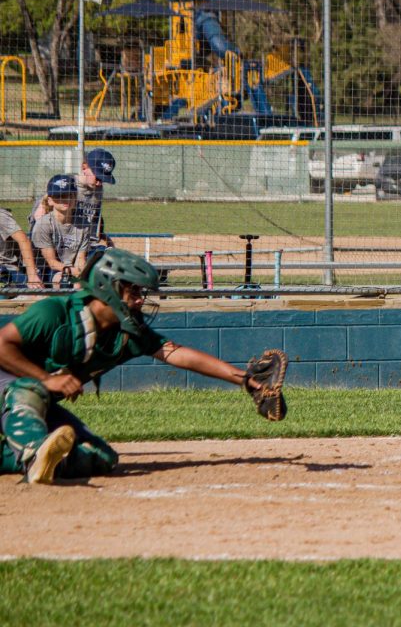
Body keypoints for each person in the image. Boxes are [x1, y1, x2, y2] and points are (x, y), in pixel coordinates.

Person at [0, 248, 274, 484]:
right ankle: (35, 453)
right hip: (15, 392)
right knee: (30, 389)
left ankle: (33, 459)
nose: (141, 299)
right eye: (133, 290)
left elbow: (177, 354)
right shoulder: (54, 312)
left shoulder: (125, 334)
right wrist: (46, 379)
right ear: (108, 287)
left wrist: (246, 380)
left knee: (100, 457)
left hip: (28, 408)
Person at [29, 148, 116, 257]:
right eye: (97, 177)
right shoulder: (67, 184)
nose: (99, 183)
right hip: (55, 245)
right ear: (84, 167)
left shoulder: (97, 190)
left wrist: (105, 240)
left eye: (103, 179)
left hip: (79, 245)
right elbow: (39, 217)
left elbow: (93, 223)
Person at [30, 175, 90, 288]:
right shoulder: (44, 224)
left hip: (73, 269)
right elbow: (52, 263)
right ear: (50, 200)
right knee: (66, 283)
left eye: (69, 195)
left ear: (75, 198)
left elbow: (80, 259)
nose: (66, 199)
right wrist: (73, 271)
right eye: (59, 195)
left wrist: (80, 272)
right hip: (49, 271)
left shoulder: (84, 224)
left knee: (83, 283)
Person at [0, 207, 43, 291]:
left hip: (8, 268)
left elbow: (23, 240)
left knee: (35, 292)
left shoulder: (1, 216)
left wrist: (32, 275)